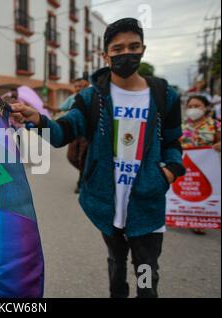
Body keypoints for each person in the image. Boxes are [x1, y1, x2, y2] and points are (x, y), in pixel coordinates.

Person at [10, 18, 185, 298]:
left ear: (143, 49)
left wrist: (169, 173)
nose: (126, 54)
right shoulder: (92, 98)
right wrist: (38, 119)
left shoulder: (164, 95)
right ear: (106, 55)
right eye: (117, 49)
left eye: (133, 46)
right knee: (116, 267)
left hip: (147, 205)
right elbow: (62, 133)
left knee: (146, 274)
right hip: (107, 203)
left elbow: (174, 141)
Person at [180, 95, 221, 235]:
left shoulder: (215, 125)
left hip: (206, 167)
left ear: (206, 108)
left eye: (197, 106)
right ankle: (185, 218)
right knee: (186, 191)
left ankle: (199, 221)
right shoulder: (183, 125)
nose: (193, 109)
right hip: (185, 166)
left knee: (202, 192)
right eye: (190, 106)